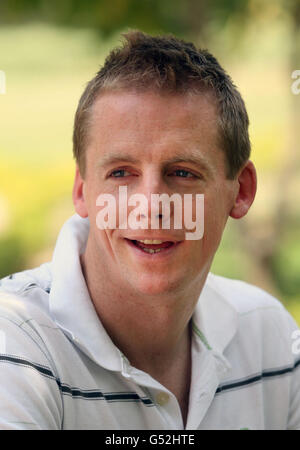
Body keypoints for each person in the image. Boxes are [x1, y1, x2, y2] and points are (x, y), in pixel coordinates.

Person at [0, 30, 299, 431]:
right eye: (121, 172)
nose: (151, 206)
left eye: (182, 172)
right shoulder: (14, 343)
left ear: (240, 191)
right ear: (82, 190)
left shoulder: (271, 336)